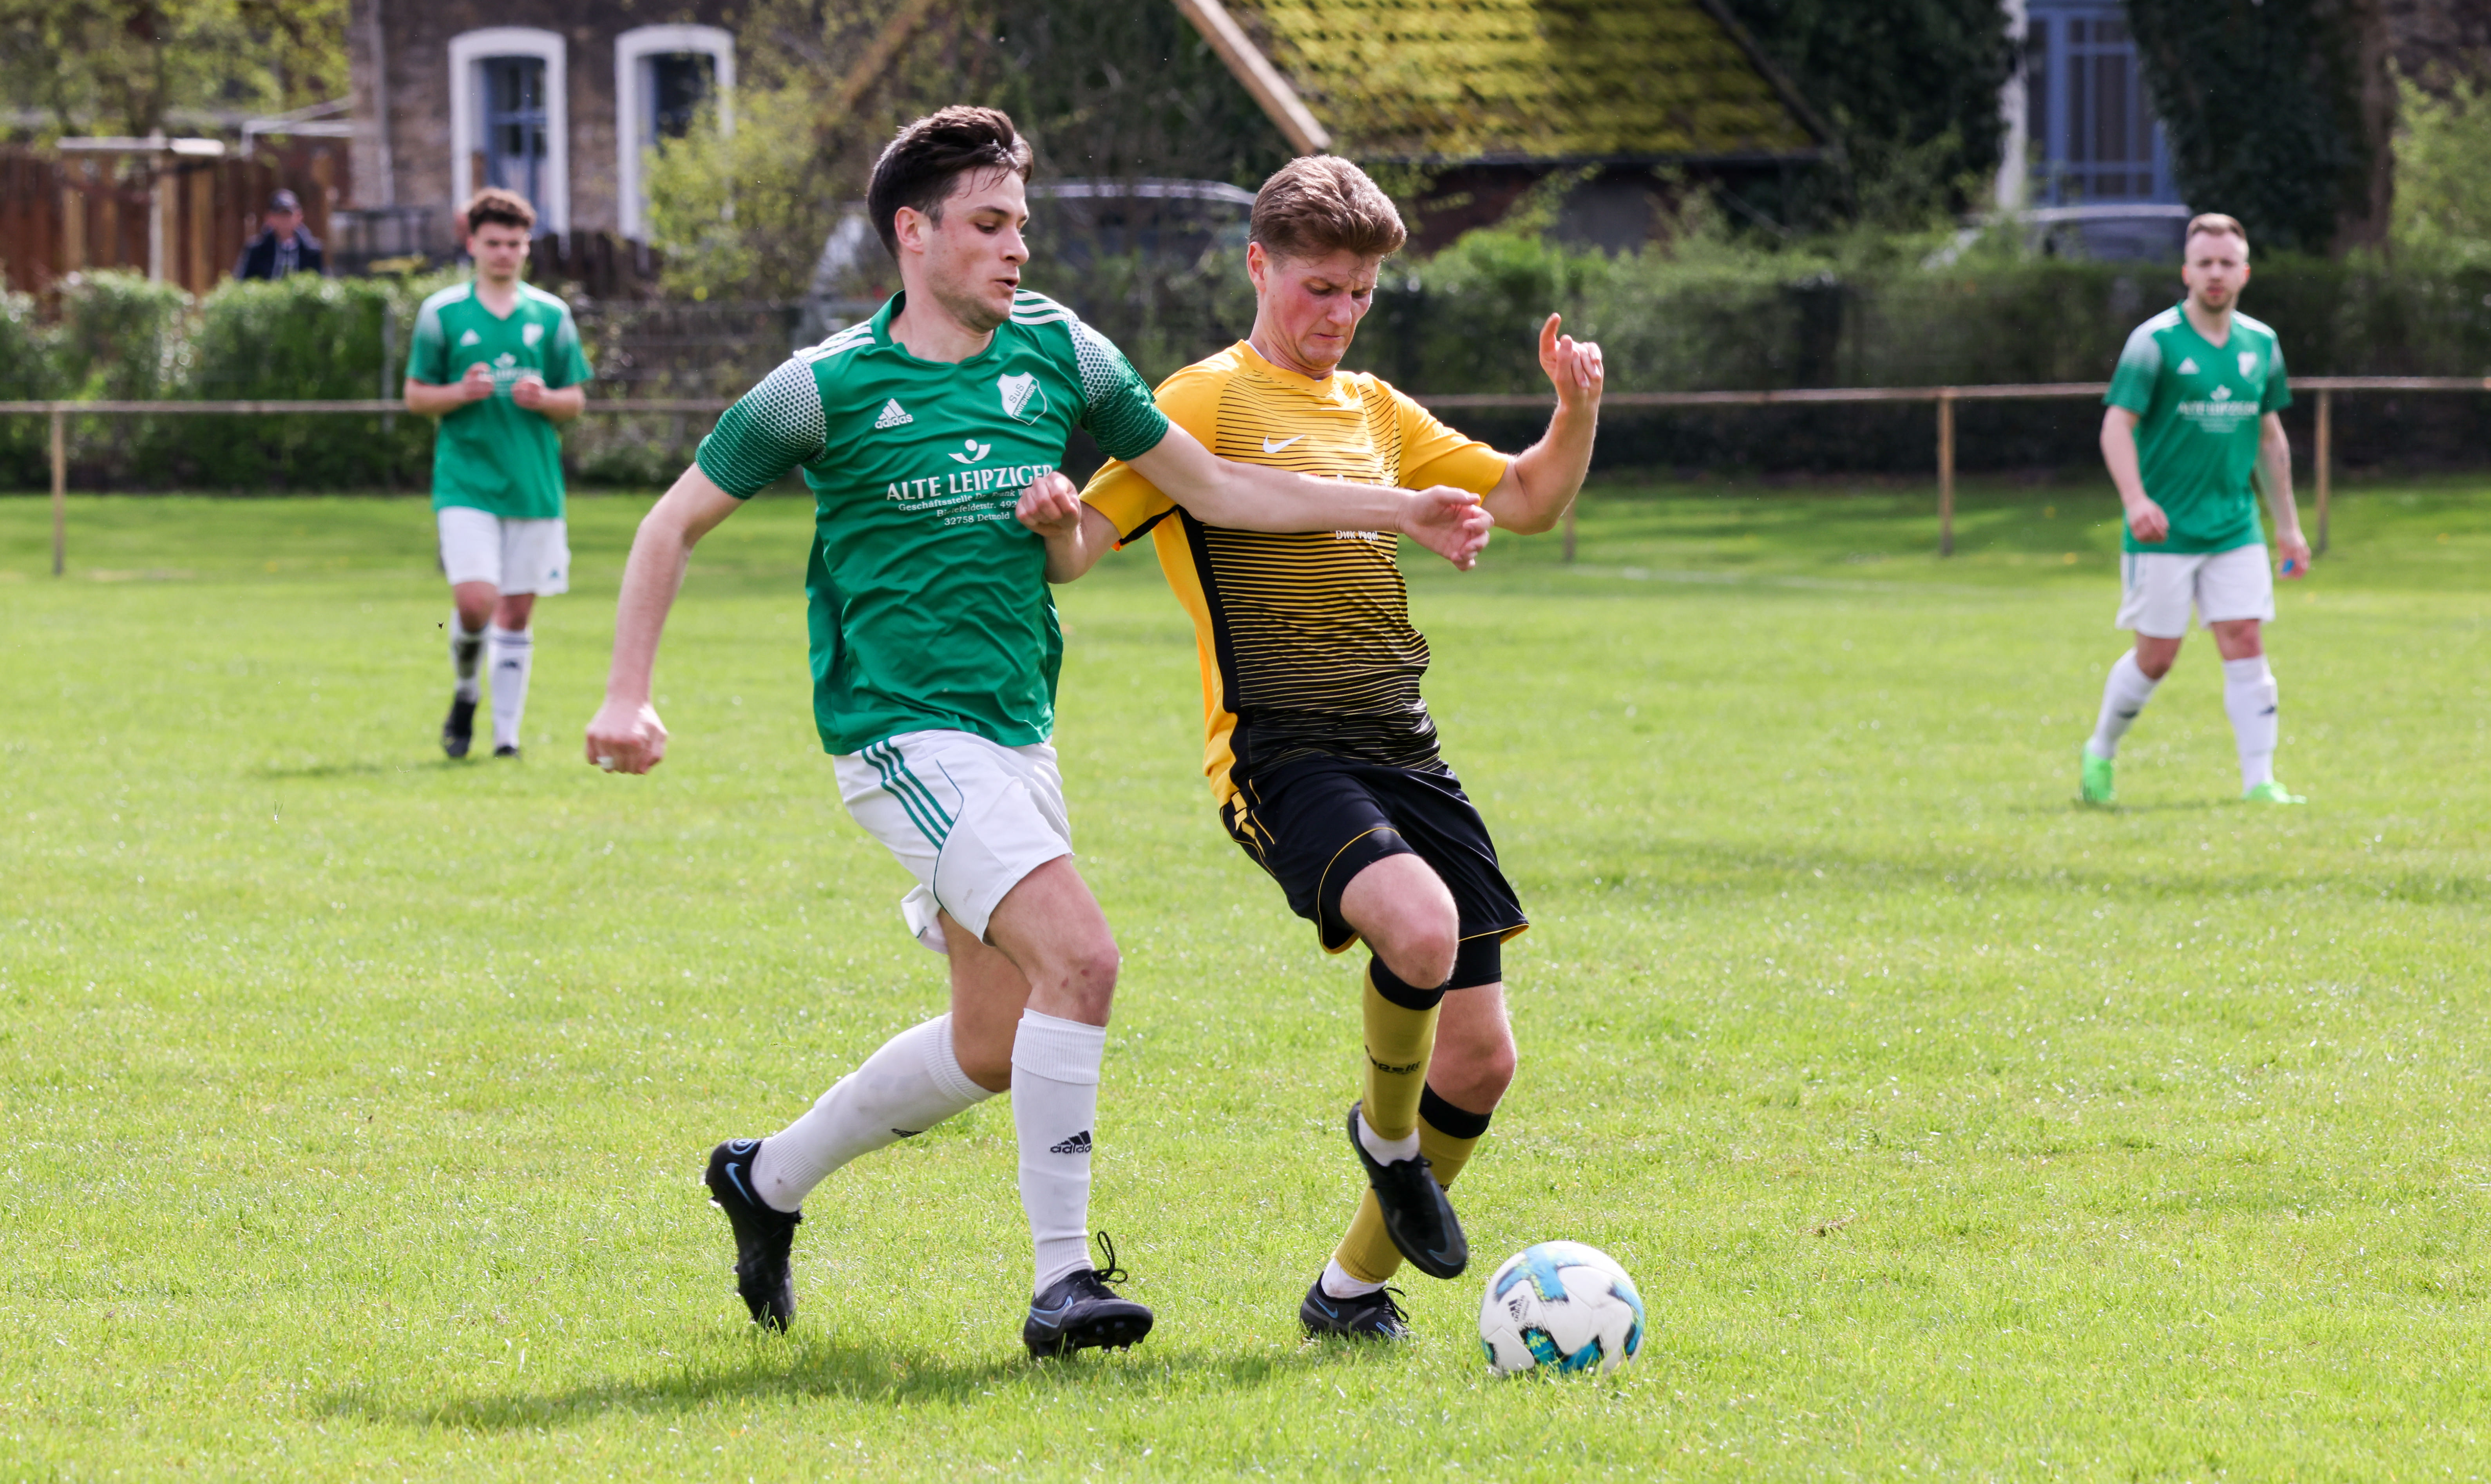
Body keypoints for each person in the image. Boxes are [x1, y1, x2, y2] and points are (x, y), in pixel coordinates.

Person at [578, 108, 1492, 1359]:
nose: (1016, 247)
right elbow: (668, 523)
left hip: (1016, 733)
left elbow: (1214, 485)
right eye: (989, 223)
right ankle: (1063, 1279)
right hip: (898, 734)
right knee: (1084, 956)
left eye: (1021, 223)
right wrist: (625, 695)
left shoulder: (1065, 350)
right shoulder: (821, 388)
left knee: (992, 1041)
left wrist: (1399, 506)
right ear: (913, 232)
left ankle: (764, 1177)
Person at [1031, 154, 1602, 1341]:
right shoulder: (1201, 400)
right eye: (1319, 288)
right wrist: (1049, 515)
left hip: (1403, 745)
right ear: (1259, 265)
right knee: (1419, 928)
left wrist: (1574, 409)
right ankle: (1387, 1141)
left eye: (1360, 294)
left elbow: (1527, 500)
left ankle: (1348, 1292)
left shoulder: (1377, 409)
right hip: (1279, 748)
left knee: (1481, 1060)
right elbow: (1084, 542)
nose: (1339, 314)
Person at [2081, 212, 2309, 807]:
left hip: (2234, 526)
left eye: (2226, 263)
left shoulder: (2261, 344)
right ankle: (2099, 752)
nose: (2215, 273)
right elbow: (2115, 427)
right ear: (2186, 272)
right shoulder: (2153, 342)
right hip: (2164, 530)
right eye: (2204, 262)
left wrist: (2288, 527)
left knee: (2245, 640)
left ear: (2244, 273)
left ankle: (2259, 782)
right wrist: (2135, 500)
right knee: (2156, 658)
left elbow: (2269, 439)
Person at [404, 188, 590, 760]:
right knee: (475, 601)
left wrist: (546, 399)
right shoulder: (442, 313)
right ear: (473, 245)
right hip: (465, 482)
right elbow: (416, 396)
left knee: (516, 611)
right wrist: (458, 393)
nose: (504, 253)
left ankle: (506, 739)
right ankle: (466, 691)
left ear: (527, 247)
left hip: (533, 483)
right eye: (493, 243)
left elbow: (575, 400)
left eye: (514, 243)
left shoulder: (550, 315)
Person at [232, 189, 324, 280]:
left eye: (288, 215)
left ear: (299, 217)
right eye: (280, 215)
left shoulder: (312, 250)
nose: (284, 220)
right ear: (269, 218)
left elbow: (322, 281)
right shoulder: (257, 249)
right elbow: (241, 281)